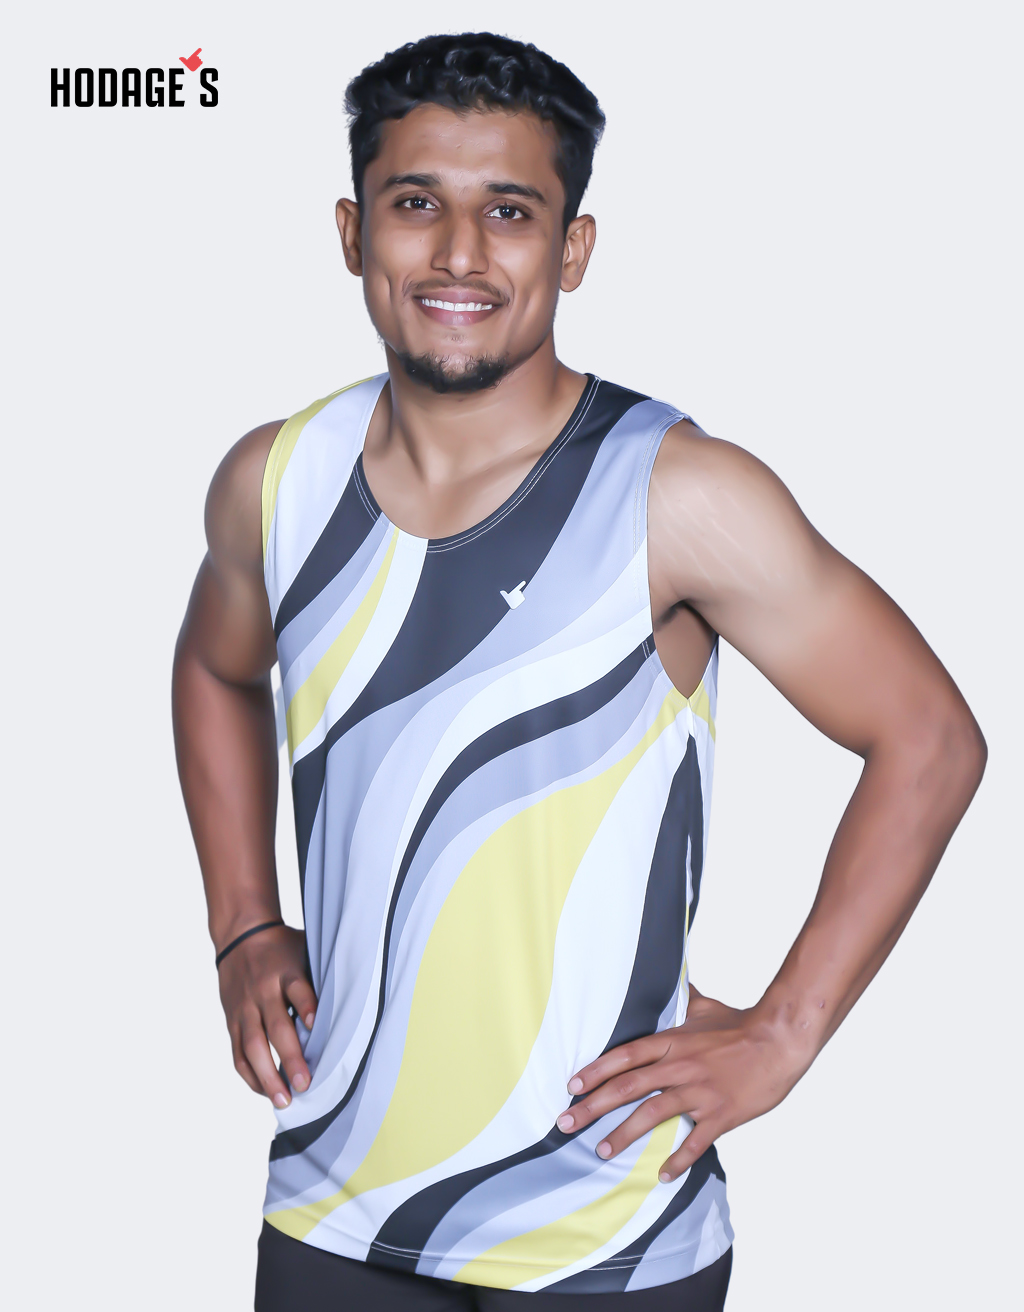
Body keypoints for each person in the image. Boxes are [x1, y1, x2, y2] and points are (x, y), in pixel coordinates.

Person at [171, 32, 985, 1311]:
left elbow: (928, 739)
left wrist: (785, 1032)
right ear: (352, 231)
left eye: (509, 211)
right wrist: (243, 921)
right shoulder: (274, 479)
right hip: (332, 1203)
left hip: (607, 1228)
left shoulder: (675, 492)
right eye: (416, 203)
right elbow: (217, 670)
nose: (458, 253)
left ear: (572, 248)